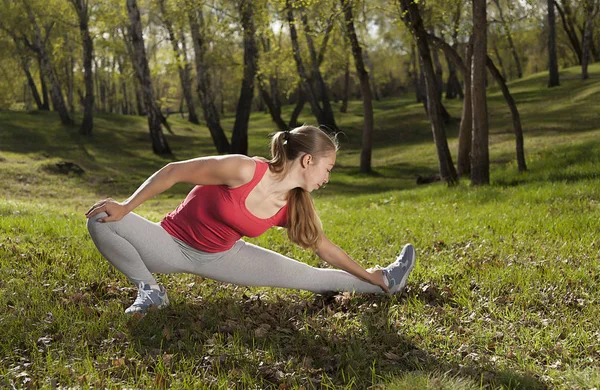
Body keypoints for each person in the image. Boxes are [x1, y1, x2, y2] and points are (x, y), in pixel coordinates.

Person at [86, 125, 416, 315]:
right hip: (169, 245)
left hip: (224, 257)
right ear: (308, 160)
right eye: (327, 169)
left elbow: (325, 250)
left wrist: (371, 275)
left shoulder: (292, 206)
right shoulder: (243, 169)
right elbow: (174, 172)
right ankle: (150, 291)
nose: (327, 178)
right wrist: (127, 207)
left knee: (312, 277)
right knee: (102, 217)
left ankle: (387, 281)